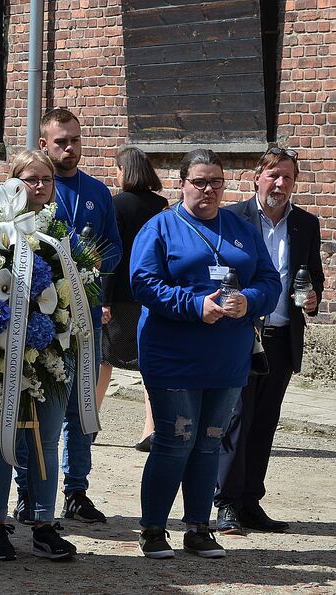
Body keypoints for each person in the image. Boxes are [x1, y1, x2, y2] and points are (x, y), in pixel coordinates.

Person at [130, 149, 280, 559]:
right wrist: (195, 305)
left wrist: (249, 301)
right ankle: (153, 529)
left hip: (227, 358)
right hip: (174, 355)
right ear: (182, 183)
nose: (209, 189)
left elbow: (269, 279)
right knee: (176, 441)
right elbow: (143, 283)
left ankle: (198, 527)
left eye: (216, 181)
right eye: (200, 181)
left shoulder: (239, 228)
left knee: (210, 443)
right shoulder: (161, 227)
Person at [215, 147, 325, 534]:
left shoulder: (306, 224)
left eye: (288, 178)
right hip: (239, 336)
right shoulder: (231, 219)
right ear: (257, 176)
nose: (280, 184)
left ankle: (250, 502)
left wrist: (312, 300)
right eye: (274, 175)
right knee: (234, 420)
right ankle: (225, 504)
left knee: (264, 423)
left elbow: (313, 276)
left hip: (281, 339)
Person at [0, 149, 79, 562]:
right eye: (30, 179)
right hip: (1, 349)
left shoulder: (60, 232)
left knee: (46, 440)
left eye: (46, 180)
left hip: (49, 348)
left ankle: (42, 523)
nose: (39, 187)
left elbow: (77, 288)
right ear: (12, 183)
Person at [35, 108, 122, 525]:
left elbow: (115, 248)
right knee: (37, 404)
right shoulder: (31, 190)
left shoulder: (98, 192)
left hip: (85, 315)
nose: (70, 149)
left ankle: (77, 490)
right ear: (43, 145)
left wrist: (92, 267)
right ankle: (29, 492)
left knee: (82, 405)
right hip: (43, 319)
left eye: (75, 140)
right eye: (61, 142)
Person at [97, 147, 169, 452]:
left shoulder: (117, 204)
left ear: (125, 171)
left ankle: (90, 424)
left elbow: (113, 256)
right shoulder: (162, 205)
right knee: (148, 363)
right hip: (151, 294)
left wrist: (105, 299)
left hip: (121, 295)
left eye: (117, 169)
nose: (116, 175)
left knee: (103, 362)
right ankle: (149, 431)